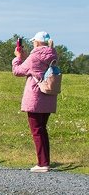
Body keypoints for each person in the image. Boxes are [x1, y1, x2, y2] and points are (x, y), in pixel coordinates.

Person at [12, 32, 59, 173]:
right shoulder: (53, 54)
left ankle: (43, 163)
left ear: (37, 43)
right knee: (42, 129)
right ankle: (45, 161)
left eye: (34, 42)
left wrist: (17, 58)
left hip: (36, 97)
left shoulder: (34, 57)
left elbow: (18, 71)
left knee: (37, 130)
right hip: (48, 96)